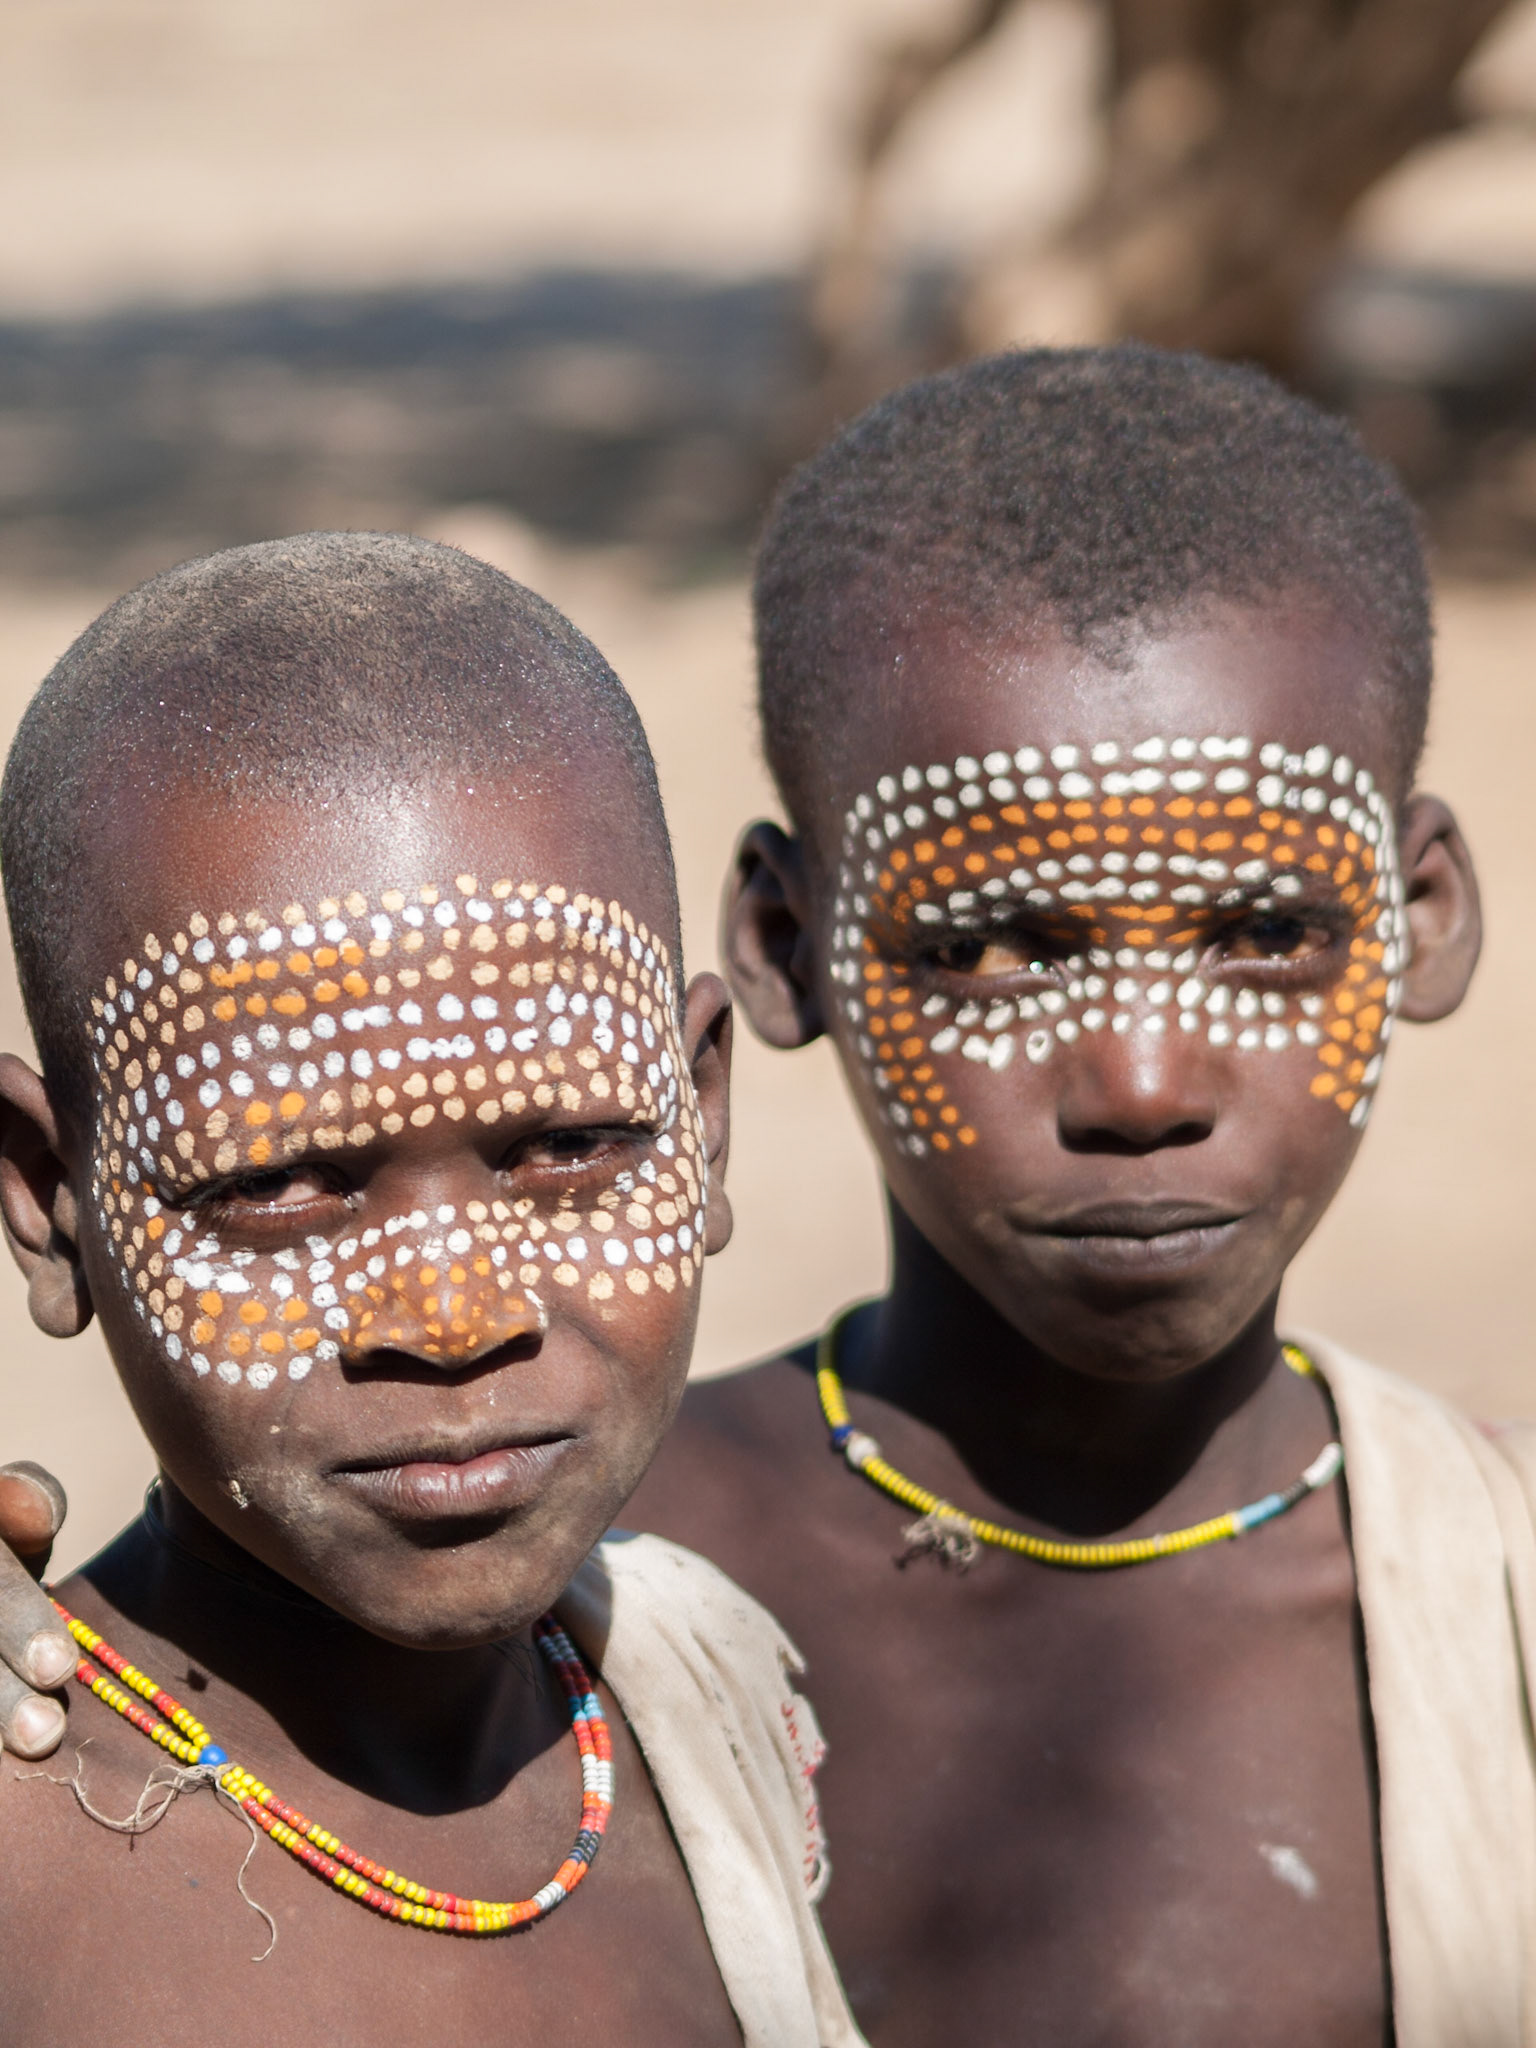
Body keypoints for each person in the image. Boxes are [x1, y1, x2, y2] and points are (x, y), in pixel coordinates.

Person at [617, 348, 1536, 2046]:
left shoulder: (1505, 1602)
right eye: (989, 952)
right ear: (781, 946)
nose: (1142, 1089)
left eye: (1265, 937)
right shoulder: (552, 1601)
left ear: (1422, 916)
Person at [0, 534, 861, 2047]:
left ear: (701, 1118)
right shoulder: (34, 1877)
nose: (454, 1316)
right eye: (276, 1187)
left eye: (568, 1147)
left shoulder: (715, 1720)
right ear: (50, 1205)